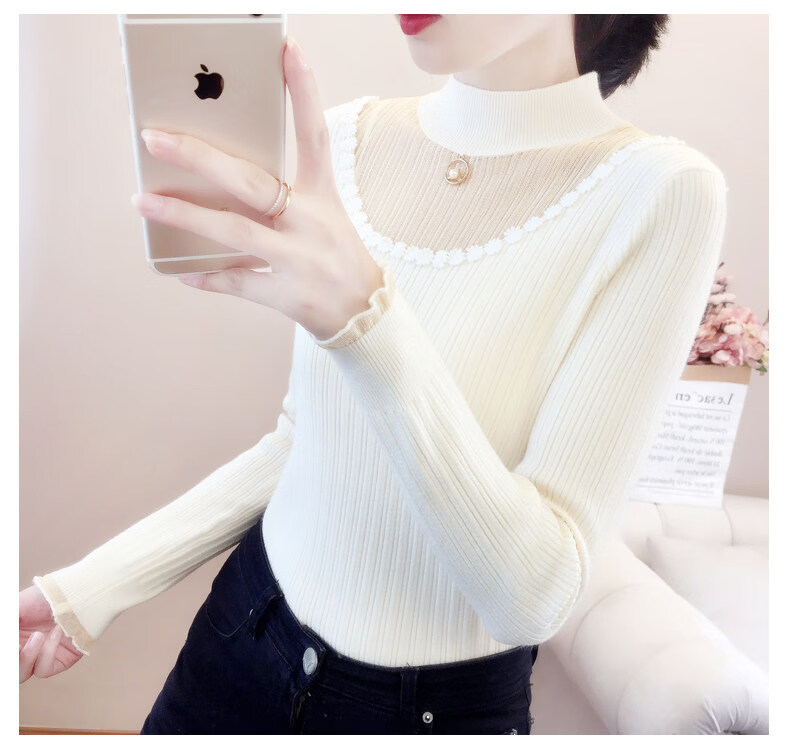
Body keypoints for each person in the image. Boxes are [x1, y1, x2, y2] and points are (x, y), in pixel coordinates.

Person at [20, 14, 726, 735]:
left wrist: (366, 321)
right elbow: (302, 443)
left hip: (425, 713)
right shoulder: (346, 139)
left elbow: (532, 597)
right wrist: (89, 591)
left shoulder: (660, 192)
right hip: (241, 636)